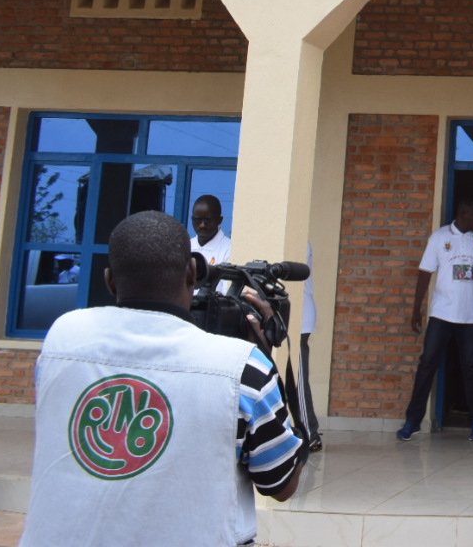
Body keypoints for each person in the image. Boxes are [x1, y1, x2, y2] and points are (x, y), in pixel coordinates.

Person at [20, 210, 302, 547]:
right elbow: (281, 484)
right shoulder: (241, 368)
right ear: (191, 275)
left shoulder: (61, 339)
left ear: (110, 281)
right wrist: (265, 366)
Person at [397, 199, 473, 443]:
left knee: (472, 369)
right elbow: (424, 273)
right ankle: (412, 421)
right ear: (464, 214)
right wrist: (416, 309)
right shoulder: (439, 237)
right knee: (427, 365)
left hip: (472, 317)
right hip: (441, 315)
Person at [293, 241, 322, 452]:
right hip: (290, 311)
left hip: (301, 313)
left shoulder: (300, 238)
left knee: (299, 377)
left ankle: (309, 432)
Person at [189, 194, 233, 267]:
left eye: (207, 220)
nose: (202, 225)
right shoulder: (186, 246)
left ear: (219, 220)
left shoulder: (229, 249)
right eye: (197, 220)